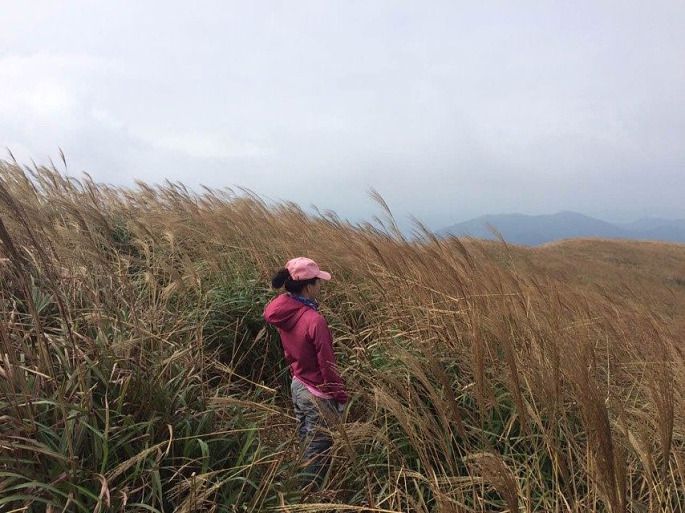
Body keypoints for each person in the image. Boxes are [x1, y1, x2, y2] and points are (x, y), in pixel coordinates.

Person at [263, 256, 348, 488]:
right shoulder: (314, 320)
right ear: (308, 287)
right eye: (317, 281)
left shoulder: (287, 312)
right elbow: (327, 365)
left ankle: (298, 487)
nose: (320, 285)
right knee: (319, 448)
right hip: (317, 392)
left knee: (306, 439)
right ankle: (309, 494)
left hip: (298, 384)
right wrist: (340, 397)